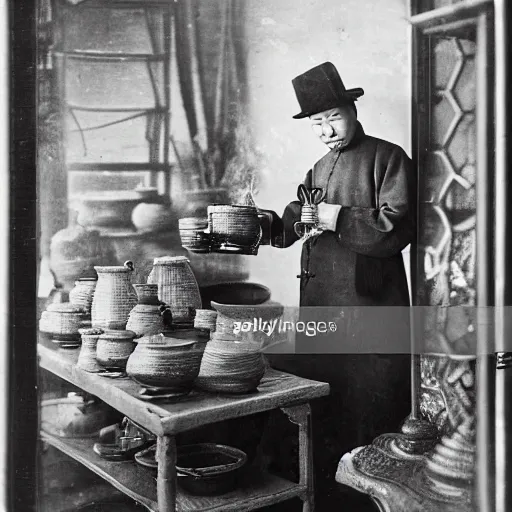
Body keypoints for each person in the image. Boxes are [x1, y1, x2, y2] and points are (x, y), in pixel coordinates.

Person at [262, 62, 415, 510]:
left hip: (370, 308)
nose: (326, 130)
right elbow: (293, 221)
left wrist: (337, 217)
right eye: (317, 123)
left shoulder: (388, 158)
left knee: (370, 406)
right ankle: (321, 494)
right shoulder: (318, 167)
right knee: (324, 399)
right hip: (323, 310)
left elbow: (398, 224)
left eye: (333, 117)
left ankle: (370, 500)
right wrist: (264, 225)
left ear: (351, 108)